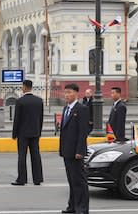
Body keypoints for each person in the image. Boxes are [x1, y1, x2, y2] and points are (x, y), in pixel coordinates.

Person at [59, 83, 89, 214]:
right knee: (71, 181)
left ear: (77, 93)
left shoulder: (81, 109)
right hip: (67, 150)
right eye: (65, 92)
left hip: (76, 152)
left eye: (69, 92)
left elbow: (83, 132)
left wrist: (80, 151)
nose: (66, 95)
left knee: (79, 181)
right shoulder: (66, 108)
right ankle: (72, 206)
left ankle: (81, 208)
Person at [11, 79, 44, 186]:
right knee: (36, 156)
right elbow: (41, 118)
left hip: (23, 133)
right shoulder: (39, 101)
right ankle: (38, 179)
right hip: (35, 132)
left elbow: (17, 119)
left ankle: (22, 179)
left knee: (22, 156)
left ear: (24, 87)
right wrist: (39, 131)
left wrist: (14, 134)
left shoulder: (20, 101)